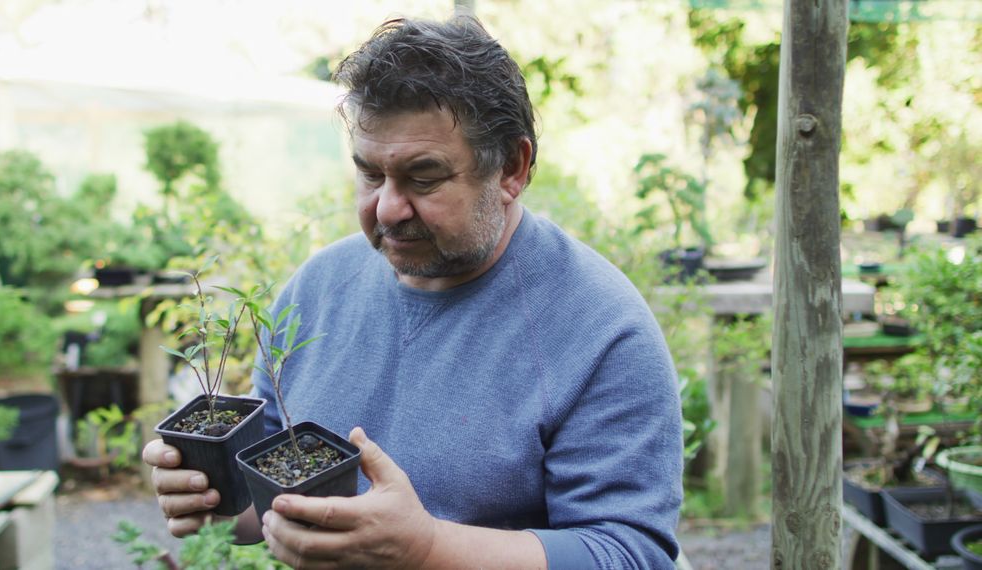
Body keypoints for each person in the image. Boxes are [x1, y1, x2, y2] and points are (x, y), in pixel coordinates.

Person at [143, 15, 683, 569]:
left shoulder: (601, 330)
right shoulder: (317, 290)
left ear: (512, 169)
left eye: (423, 178)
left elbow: (631, 553)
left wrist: (425, 549)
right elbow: (274, 498)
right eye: (370, 174)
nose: (387, 209)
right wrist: (220, 500)